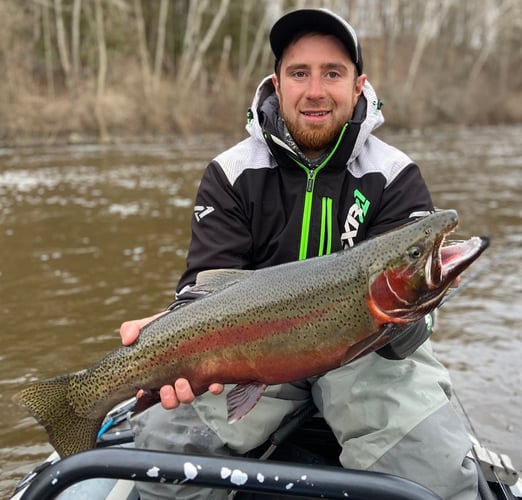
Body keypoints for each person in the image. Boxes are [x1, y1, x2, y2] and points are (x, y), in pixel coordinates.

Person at [120, 8, 478, 500]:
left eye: (333, 73)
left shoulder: (395, 175)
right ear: (277, 84)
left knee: (432, 478)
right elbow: (205, 287)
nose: (315, 90)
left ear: (358, 86)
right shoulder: (230, 173)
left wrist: (424, 303)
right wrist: (174, 340)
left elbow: (402, 341)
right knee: (163, 456)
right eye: (299, 73)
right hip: (249, 354)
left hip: (368, 357)